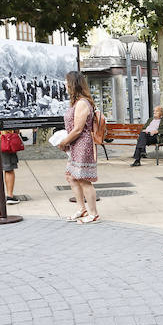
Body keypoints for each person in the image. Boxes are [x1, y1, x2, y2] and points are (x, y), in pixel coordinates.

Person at [57, 71, 100, 224]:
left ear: (73, 84)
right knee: (71, 176)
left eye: (66, 82)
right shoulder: (77, 102)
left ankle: (93, 213)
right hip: (76, 144)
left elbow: (78, 129)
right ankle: (81, 208)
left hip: (82, 144)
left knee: (83, 179)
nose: (65, 85)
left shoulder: (82, 103)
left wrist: (63, 142)